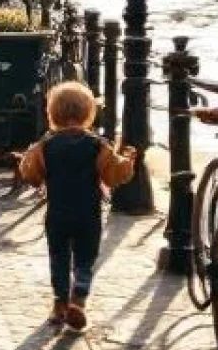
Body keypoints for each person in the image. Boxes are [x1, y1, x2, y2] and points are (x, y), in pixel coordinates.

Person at [16, 82, 138, 332]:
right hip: (88, 214)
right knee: (85, 257)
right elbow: (114, 174)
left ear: (52, 113)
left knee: (58, 257)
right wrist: (128, 160)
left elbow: (32, 175)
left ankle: (60, 304)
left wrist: (25, 161)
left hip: (57, 213)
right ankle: (79, 298)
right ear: (88, 113)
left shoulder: (45, 146)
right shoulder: (97, 145)